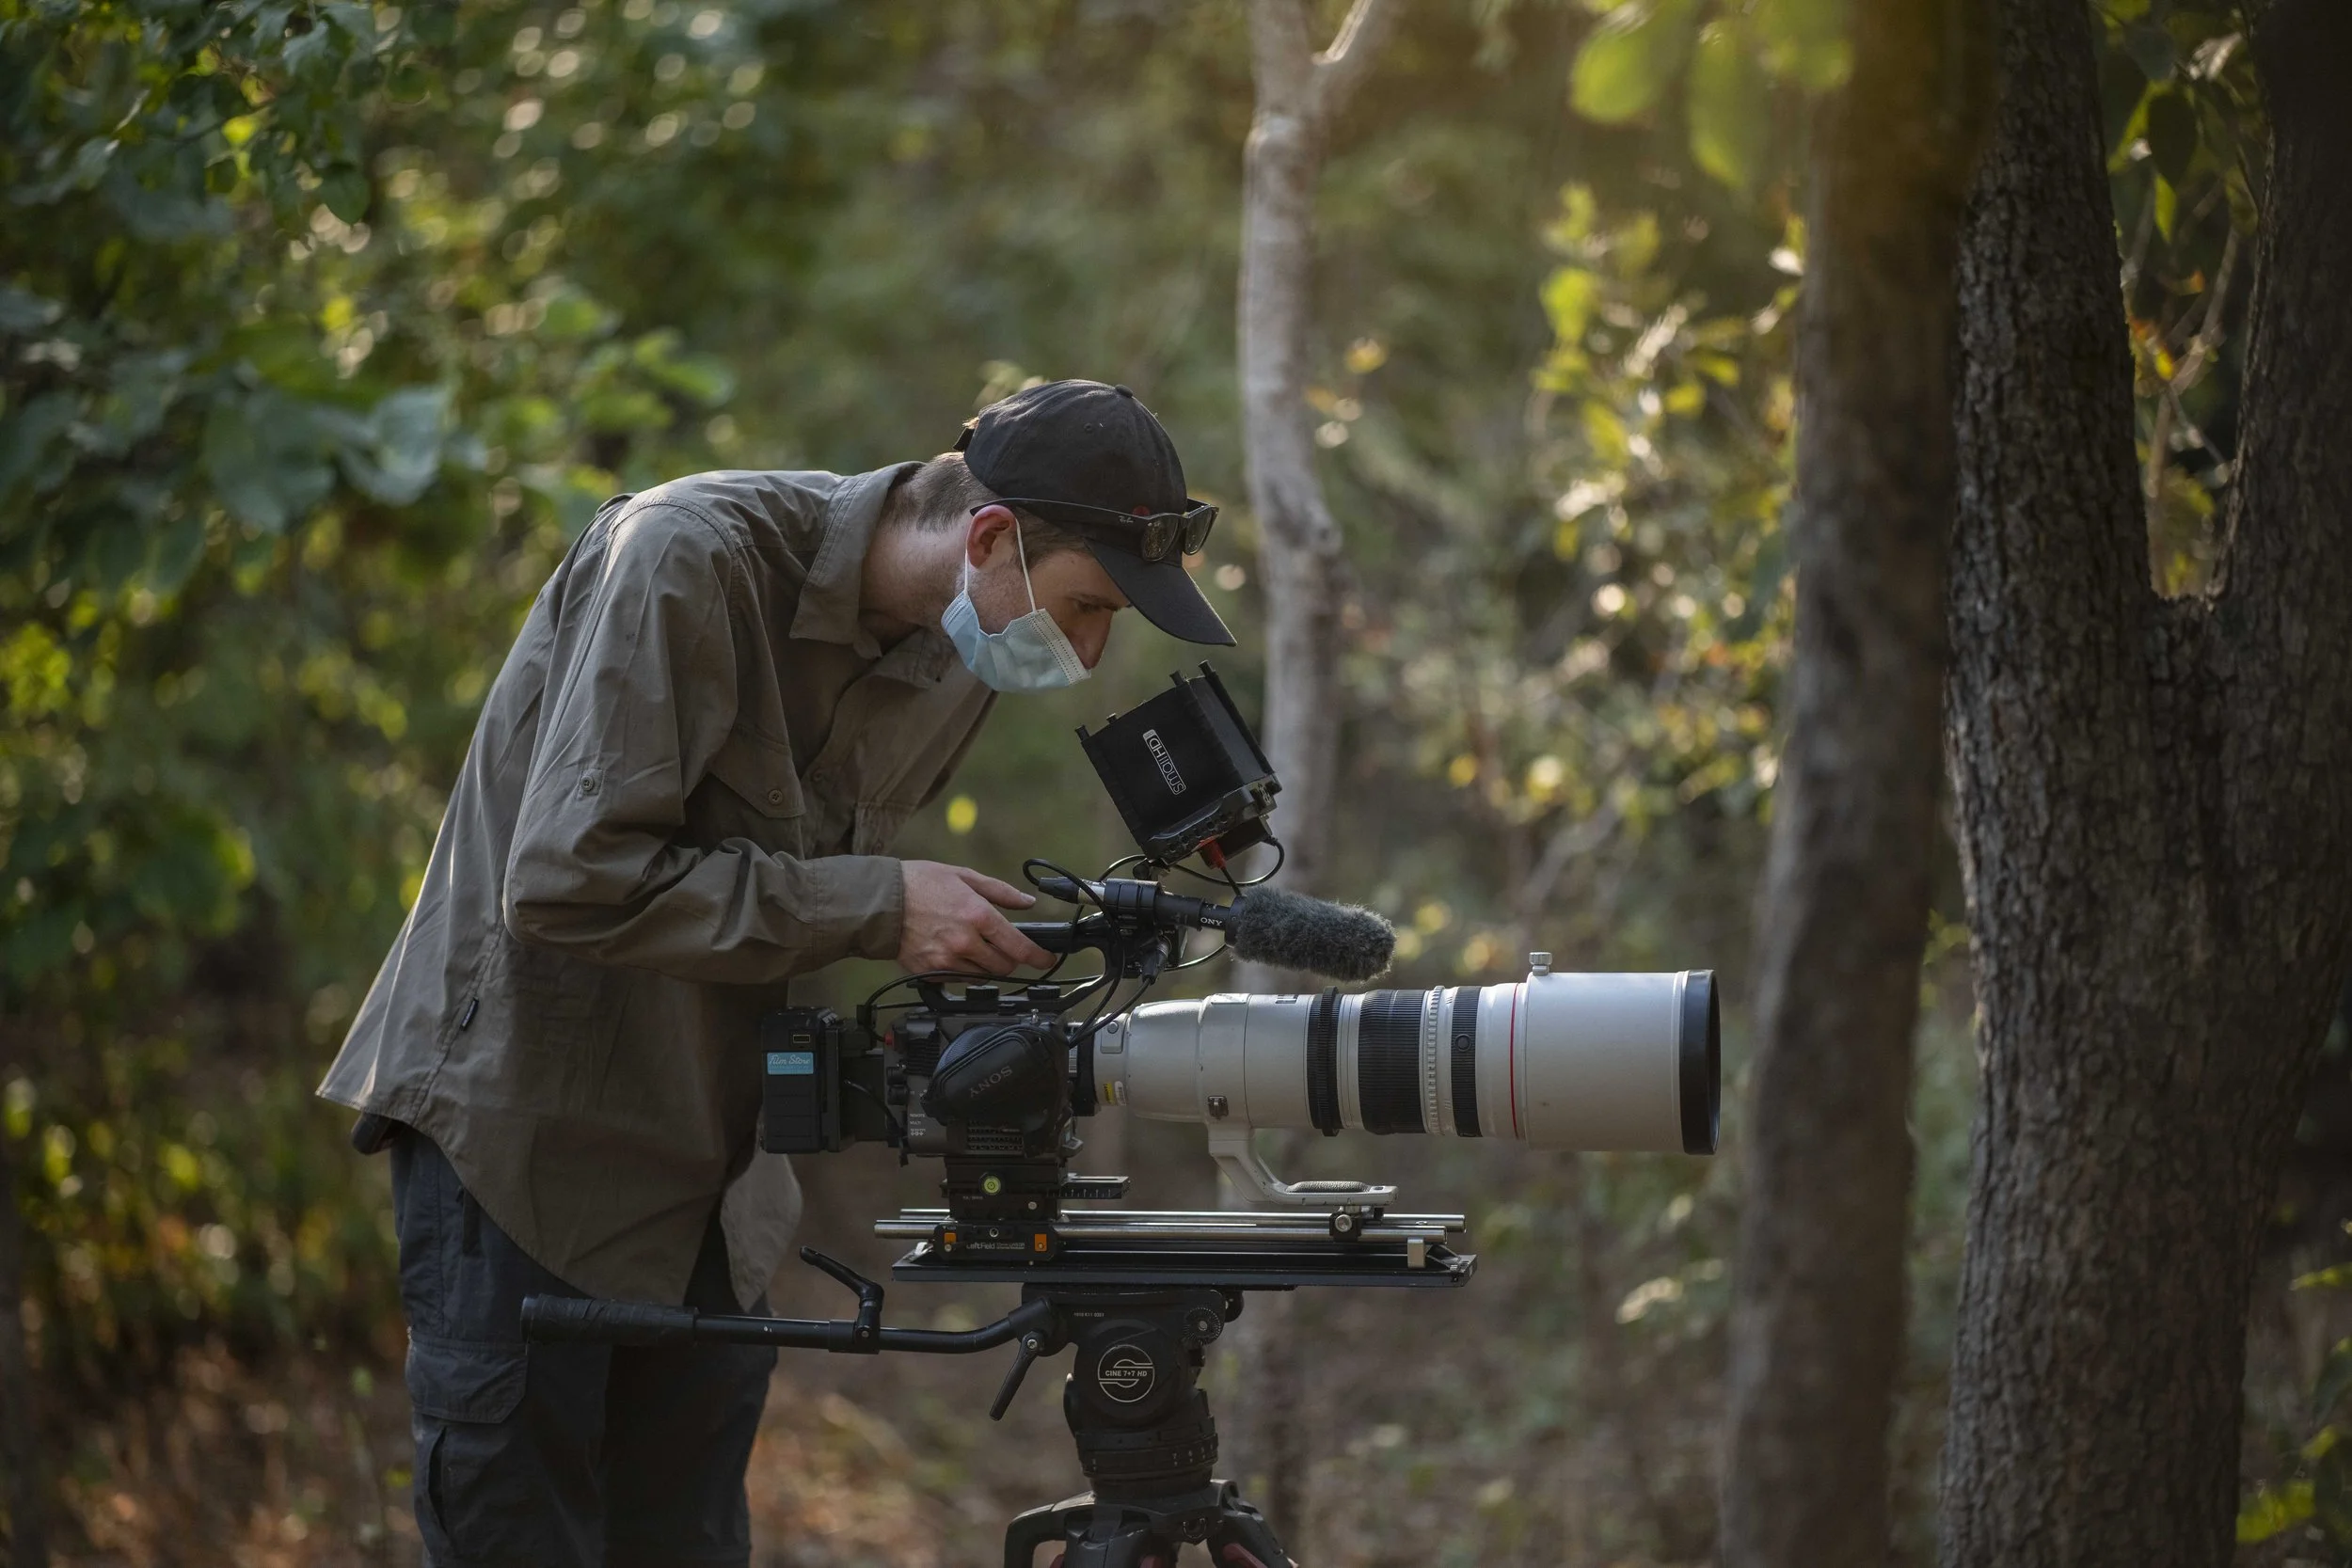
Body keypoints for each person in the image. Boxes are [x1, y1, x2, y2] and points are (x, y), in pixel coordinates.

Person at [317, 380, 1232, 1568]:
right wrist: (878, 901)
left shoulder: (963, 653)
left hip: (719, 1185)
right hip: (526, 1152)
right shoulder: (686, 559)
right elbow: (562, 878)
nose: (1093, 648)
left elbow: (797, 905)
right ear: (992, 538)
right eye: (1087, 605)